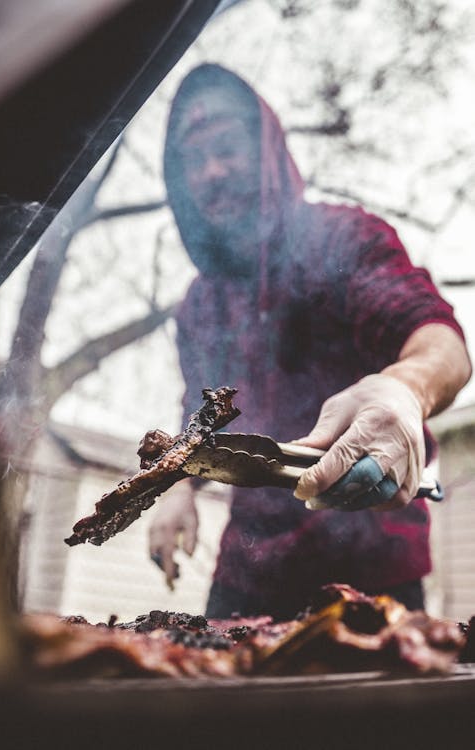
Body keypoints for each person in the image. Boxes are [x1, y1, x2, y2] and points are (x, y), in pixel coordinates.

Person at [148, 63, 471, 619]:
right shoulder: (200, 304)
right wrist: (180, 486)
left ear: (267, 149)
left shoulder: (342, 238)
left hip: (372, 567)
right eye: (193, 161)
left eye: (227, 148)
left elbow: (440, 342)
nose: (212, 172)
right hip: (247, 573)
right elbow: (200, 414)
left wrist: (403, 391)